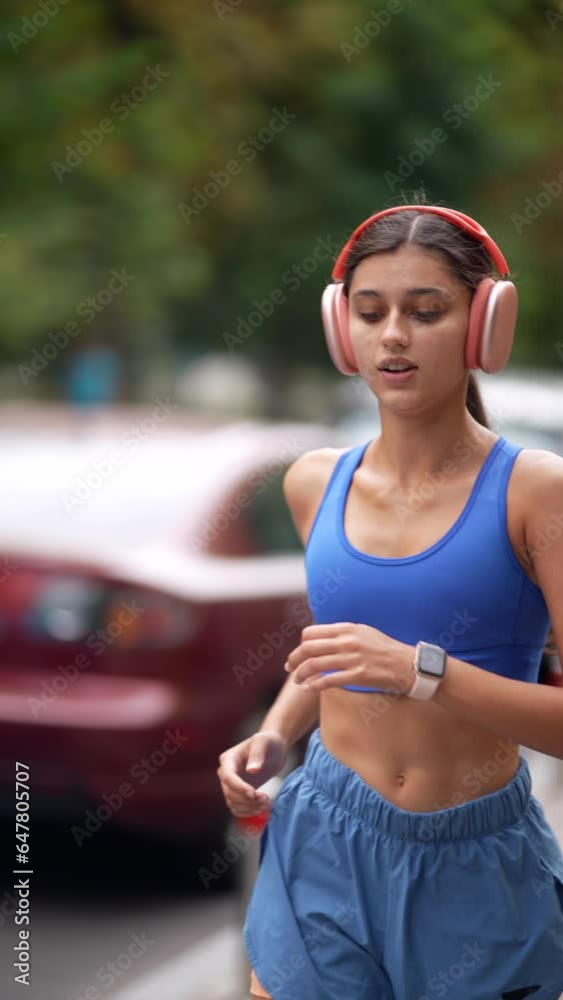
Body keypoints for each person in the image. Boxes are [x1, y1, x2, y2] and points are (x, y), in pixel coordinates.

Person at [216, 201, 563, 999]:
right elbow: (333, 656)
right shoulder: (313, 483)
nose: (393, 336)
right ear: (344, 332)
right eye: (370, 314)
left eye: (425, 311)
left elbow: (396, 664)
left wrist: (421, 672)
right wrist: (272, 736)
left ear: (484, 327)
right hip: (324, 846)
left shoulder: (534, 494)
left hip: (477, 869)